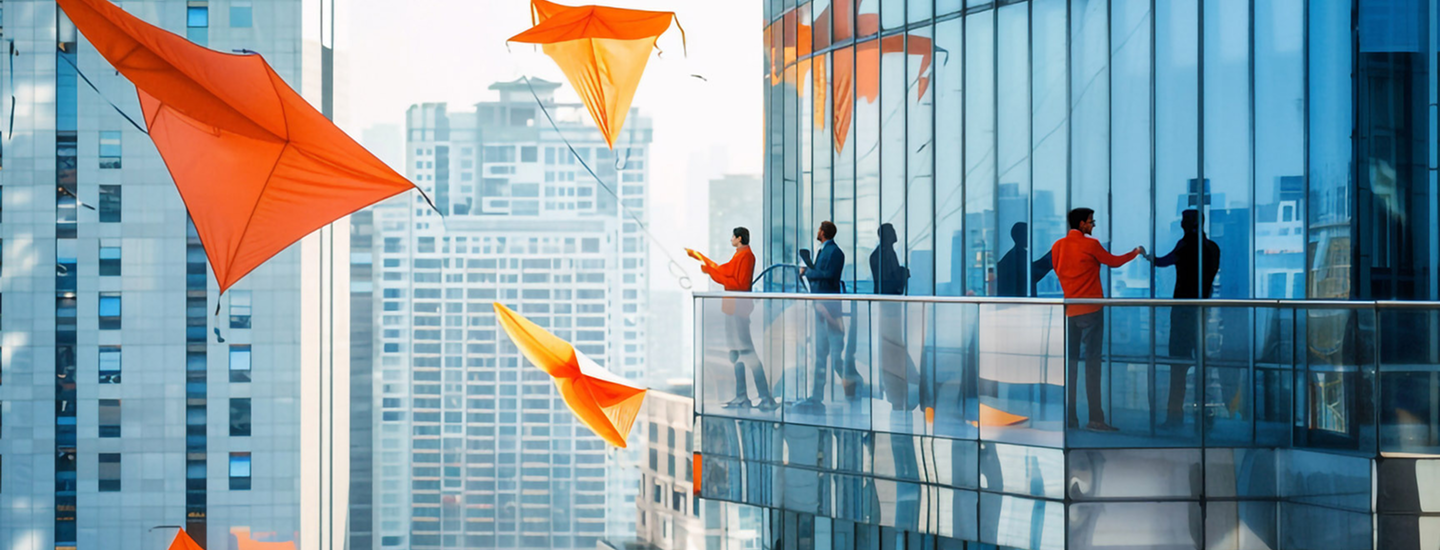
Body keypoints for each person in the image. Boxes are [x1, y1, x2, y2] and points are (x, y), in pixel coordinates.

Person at [1051, 208, 1145, 432]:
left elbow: (1056, 268)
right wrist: (1135, 252)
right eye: (1091, 222)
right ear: (1082, 223)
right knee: (1093, 365)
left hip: (1070, 311)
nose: (1093, 226)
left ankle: (1070, 417)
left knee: (1070, 366)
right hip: (1091, 310)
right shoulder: (1090, 245)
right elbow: (1113, 261)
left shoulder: (1058, 246)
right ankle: (1095, 418)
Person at [695, 227, 778, 411]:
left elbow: (737, 283)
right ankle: (742, 396)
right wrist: (711, 269)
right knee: (736, 353)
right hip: (732, 309)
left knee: (747, 352)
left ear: (739, 238)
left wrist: (713, 272)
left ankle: (765, 397)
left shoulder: (746, 257)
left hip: (738, 310)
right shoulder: (738, 256)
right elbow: (725, 271)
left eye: (733, 236)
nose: (731, 239)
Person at [1154, 209, 1221, 429]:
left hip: (1182, 312)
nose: (1181, 224)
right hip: (1202, 312)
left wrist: (1147, 256)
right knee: (1202, 365)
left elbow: (1162, 262)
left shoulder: (1184, 247)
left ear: (1189, 224)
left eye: (1184, 221)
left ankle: (1175, 417)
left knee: (1178, 367)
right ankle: (1204, 414)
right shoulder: (1212, 249)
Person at [798, 221, 855, 410]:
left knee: (835, 354)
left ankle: (854, 388)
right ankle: (817, 396)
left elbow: (829, 275)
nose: (817, 232)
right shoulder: (824, 250)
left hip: (829, 307)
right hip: (820, 306)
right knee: (821, 353)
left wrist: (809, 272)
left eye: (819, 230)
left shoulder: (835, 252)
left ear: (823, 232)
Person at [995, 222, 1054, 297]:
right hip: (1018, 304)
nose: (1030, 237)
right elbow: (1033, 273)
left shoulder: (1013, 255)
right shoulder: (1018, 256)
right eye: (1027, 234)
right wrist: (1052, 256)